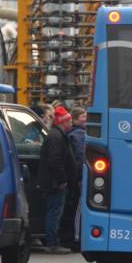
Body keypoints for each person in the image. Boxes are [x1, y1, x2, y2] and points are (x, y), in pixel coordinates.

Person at [37, 106, 78, 254]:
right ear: (63, 122)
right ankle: (52, 243)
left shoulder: (56, 135)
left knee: (54, 212)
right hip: (54, 183)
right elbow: (55, 161)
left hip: (54, 182)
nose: (71, 123)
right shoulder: (56, 137)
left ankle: (52, 240)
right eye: (68, 121)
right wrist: (62, 180)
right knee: (54, 213)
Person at [60, 106, 87, 249]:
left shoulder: (75, 134)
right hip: (80, 178)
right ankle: (76, 237)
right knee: (78, 208)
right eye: (83, 117)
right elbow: (79, 157)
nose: (86, 119)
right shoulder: (77, 135)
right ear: (75, 119)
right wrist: (78, 177)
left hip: (77, 177)